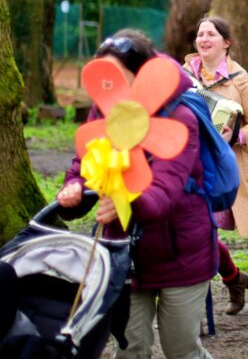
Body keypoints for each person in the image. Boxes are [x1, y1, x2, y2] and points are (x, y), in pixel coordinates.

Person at [57, 29, 216, 359]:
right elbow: (86, 163)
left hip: (181, 255)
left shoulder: (180, 119)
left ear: (143, 74)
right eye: (104, 76)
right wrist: (73, 192)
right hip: (123, 255)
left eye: (119, 76)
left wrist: (125, 200)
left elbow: (163, 192)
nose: (110, 85)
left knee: (182, 351)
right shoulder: (103, 110)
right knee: (130, 351)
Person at [184, 16, 248, 315]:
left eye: (210, 34)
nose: (203, 39)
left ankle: (194, 308)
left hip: (221, 171)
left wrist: (236, 135)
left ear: (226, 42)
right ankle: (234, 278)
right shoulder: (183, 75)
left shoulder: (241, 82)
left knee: (204, 232)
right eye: (200, 34)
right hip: (186, 167)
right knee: (200, 232)